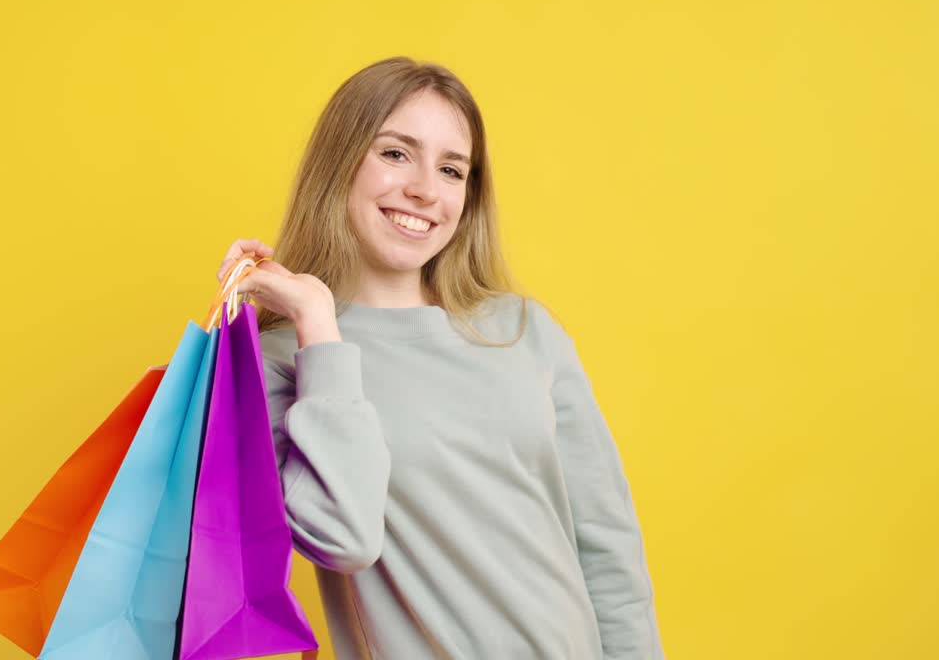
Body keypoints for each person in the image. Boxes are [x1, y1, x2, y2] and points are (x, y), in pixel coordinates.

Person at [215, 57, 664, 659]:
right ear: (339, 162)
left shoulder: (523, 331)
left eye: (452, 169)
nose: (425, 189)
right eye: (396, 154)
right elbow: (341, 537)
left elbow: (607, 548)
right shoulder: (284, 360)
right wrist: (318, 325)